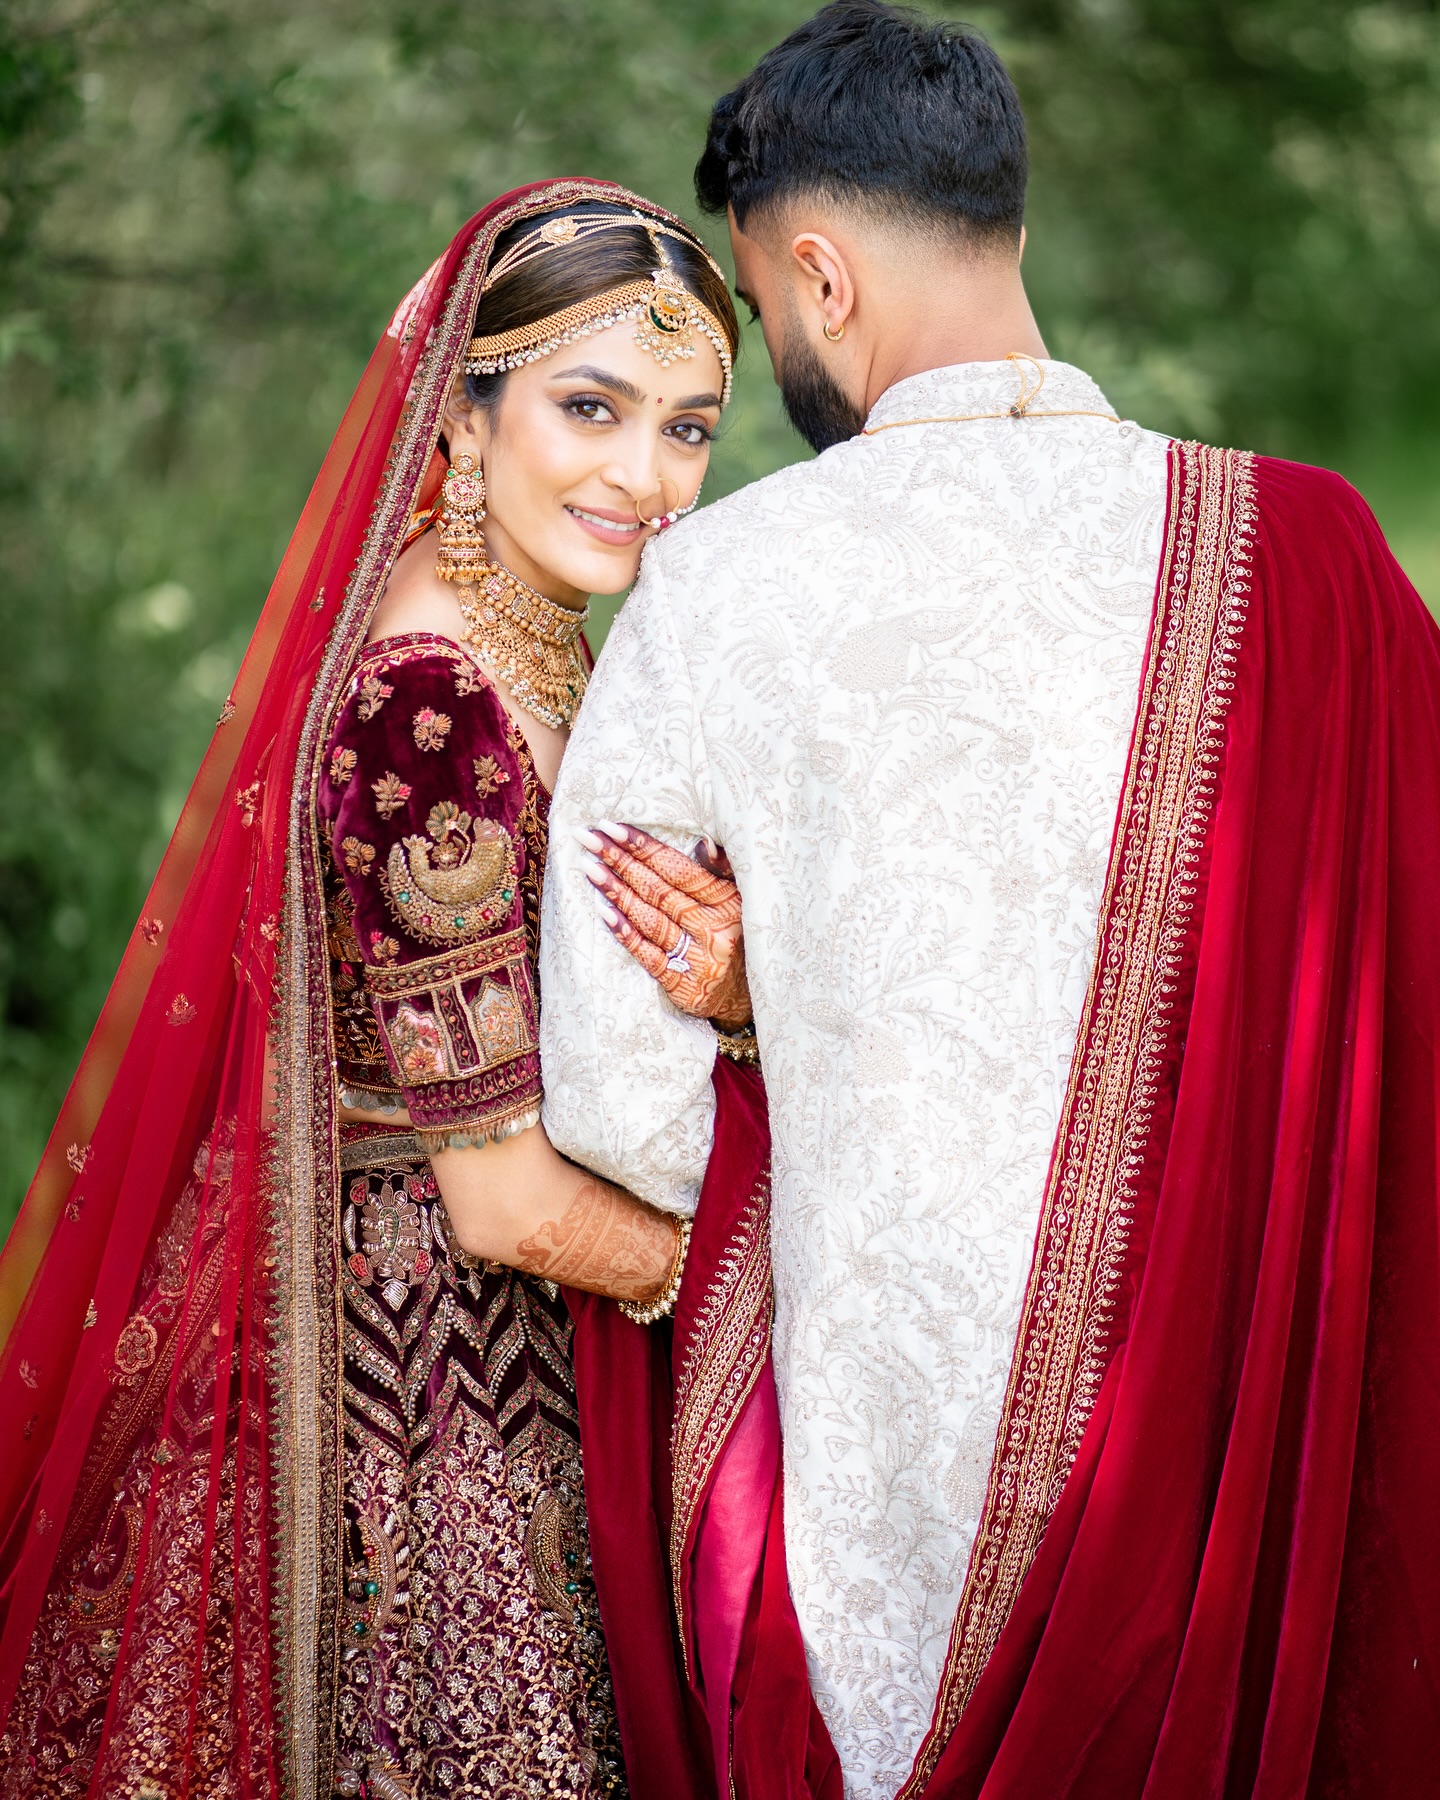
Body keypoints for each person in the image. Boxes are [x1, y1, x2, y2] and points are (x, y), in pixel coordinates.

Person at [542, 5, 1440, 1798]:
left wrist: (772, 1012)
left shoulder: (719, 591)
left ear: (818, 273)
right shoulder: (1316, 560)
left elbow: (621, 1125)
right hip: (1234, 1512)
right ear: (1009, 226)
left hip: (870, 1562)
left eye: (762, 307)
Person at [0, 181, 747, 1799]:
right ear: (463, 418)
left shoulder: (527, 635)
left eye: (686, 427)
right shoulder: (432, 712)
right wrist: (760, 1280)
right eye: (591, 408)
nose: (644, 476)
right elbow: (506, 1202)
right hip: (414, 1391)